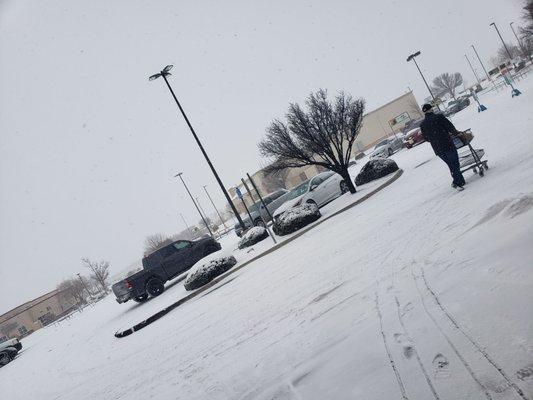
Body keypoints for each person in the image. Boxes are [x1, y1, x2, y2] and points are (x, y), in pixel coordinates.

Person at [419, 103, 466, 191]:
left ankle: (460, 181)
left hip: (438, 149)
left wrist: (433, 139)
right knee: (455, 163)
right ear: (431, 109)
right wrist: (457, 133)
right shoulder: (439, 117)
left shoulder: (422, 124)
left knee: (451, 165)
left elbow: (425, 138)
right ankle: (456, 183)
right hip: (447, 144)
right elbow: (450, 127)